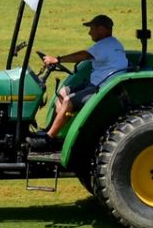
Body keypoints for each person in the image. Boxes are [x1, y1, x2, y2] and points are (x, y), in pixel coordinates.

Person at [33, 13, 128, 145]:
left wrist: (58, 59)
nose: (89, 33)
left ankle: (48, 138)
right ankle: (56, 132)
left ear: (101, 29)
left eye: (92, 28)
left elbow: (83, 55)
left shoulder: (105, 45)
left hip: (103, 89)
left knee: (68, 100)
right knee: (62, 92)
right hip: (97, 84)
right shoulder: (114, 43)